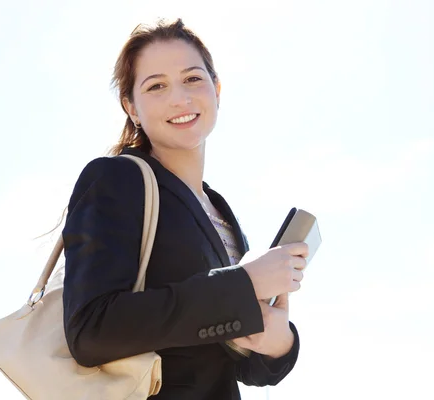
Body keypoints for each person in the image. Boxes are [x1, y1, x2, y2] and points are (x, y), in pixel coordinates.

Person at [61, 18, 308, 400]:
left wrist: (277, 342)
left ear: (217, 90)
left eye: (193, 79)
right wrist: (245, 284)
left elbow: (232, 363)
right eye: (156, 86)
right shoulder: (115, 179)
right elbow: (91, 332)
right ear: (132, 107)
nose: (180, 98)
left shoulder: (221, 212)